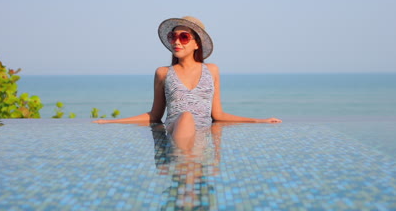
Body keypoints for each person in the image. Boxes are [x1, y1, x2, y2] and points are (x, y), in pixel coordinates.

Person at [94, 16, 281, 152]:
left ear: (196, 44)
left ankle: (185, 169)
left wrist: (259, 120)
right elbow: (155, 116)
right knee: (185, 117)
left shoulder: (212, 70)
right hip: (175, 129)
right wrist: (112, 121)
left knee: (191, 125)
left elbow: (218, 115)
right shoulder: (163, 72)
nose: (176, 41)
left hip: (203, 136)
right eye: (173, 37)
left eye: (184, 37)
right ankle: (184, 164)